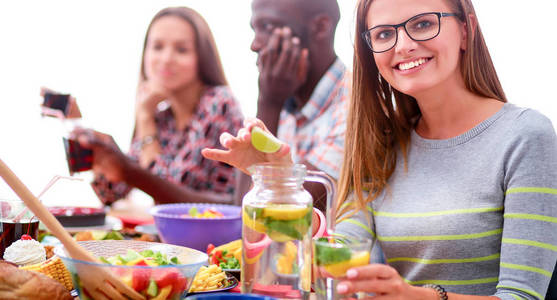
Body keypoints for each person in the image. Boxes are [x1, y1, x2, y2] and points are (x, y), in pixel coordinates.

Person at [202, 0, 557, 298]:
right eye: (385, 34)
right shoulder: (383, 143)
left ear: (466, 30)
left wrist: (422, 297)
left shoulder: (525, 135)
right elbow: (336, 255)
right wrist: (280, 184)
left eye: (422, 24)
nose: (403, 46)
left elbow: (522, 295)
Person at [73, 6, 243, 205]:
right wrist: (80, 129)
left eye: (181, 50)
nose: (166, 59)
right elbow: (111, 192)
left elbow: (171, 196)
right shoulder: (163, 116)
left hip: (215, 233)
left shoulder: (218, 103)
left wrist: (145, 119)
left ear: (202, 57)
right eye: (157, 47)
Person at [233, 0, 350, 209]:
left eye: (267, 26)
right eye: (254, 29)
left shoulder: (355, 107)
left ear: (321, 27)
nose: (255, 45)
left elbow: (270, 211)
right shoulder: (286, 101)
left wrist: (268, 103)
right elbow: (240, 207)